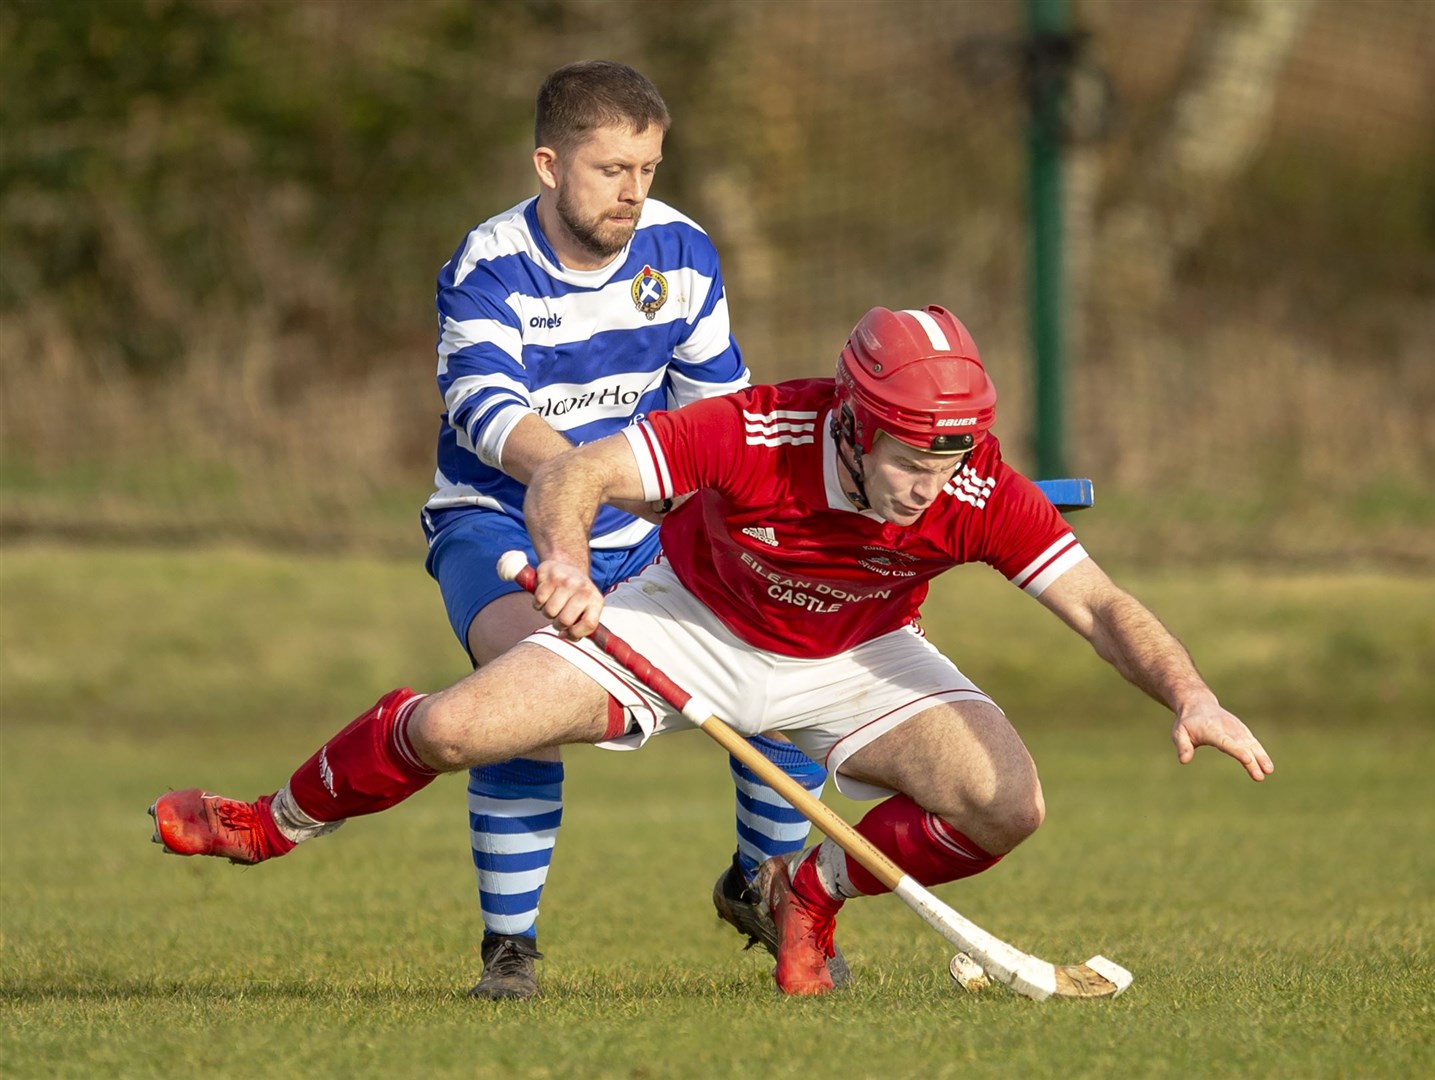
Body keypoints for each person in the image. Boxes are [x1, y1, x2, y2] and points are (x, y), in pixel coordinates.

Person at [149, 304, 1274, 996]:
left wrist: (1190, 691)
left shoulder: (975, 487)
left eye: (955, 455)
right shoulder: (752, 430)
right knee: (453, 727)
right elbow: (575, 472)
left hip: (867, 653)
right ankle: (271, 822)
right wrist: (574, 567)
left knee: (1006, 806)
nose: (936, 482)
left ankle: (808, 892)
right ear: (853, 417)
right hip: (684, 620)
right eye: (914, 458)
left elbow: (1100, 605)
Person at [416, 60, 838, 998]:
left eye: (647, 167)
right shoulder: (486, 266)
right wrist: (605, 481)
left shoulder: (681, 251)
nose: (634, 192)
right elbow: (489, 414)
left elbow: (719, 409)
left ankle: (763, 888)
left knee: (789, 664)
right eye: (611, 170)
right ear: (547, 165)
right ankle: (510, 951)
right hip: (499, 523)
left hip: (649, 533)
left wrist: (740, 501)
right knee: (524, 694)